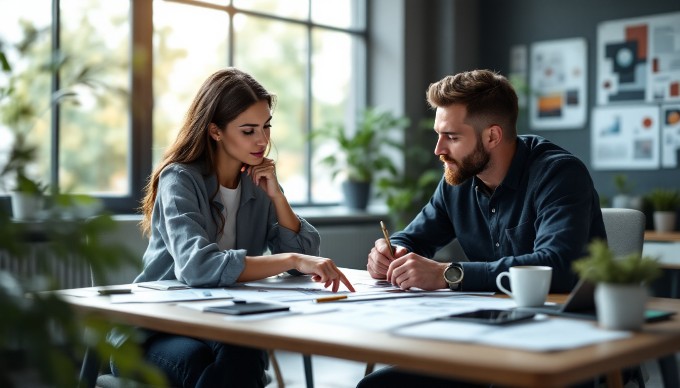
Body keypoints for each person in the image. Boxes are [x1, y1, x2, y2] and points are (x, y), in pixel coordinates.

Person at [359, 69, 607, 388]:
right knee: (377, 387)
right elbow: (414, 237)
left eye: (452, 136)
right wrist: (390, 252)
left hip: (565, 341)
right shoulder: (458, 179)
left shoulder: (559, 173)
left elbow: (557, 266)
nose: (438, 149)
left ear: (492, 136)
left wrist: (449, 274)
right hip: (489, 336)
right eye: (438, 134)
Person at [115, 68, 355, 388]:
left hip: (222, 323)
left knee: (241, 350)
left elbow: (306, 255)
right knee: (211, 362)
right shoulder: (179, 179)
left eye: (266, 126)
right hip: (155, 331)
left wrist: (277, 195)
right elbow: (198, 267)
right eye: (248, 130)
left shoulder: (257, 181)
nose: (263, 140)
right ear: (215, 131)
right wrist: (293, 261)